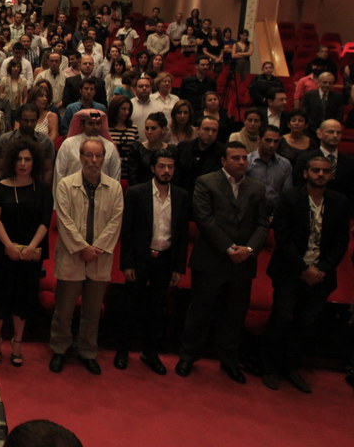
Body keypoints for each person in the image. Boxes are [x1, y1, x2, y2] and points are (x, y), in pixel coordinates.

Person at [176, 142, 269, 384]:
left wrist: (248, 249)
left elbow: (262, 224)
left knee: (234, 315)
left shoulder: (257, 188)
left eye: (243, 158)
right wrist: (229, 248)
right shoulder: (206, 182)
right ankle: (188, 356)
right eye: (236, 158)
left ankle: (229, 361)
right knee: (200, 311)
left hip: (243, 262)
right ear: (223, 161)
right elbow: (205, 220)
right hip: (212, 259)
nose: (241, 162)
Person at [261, 156, 352, 393]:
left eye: (325, 171)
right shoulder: (290, 197)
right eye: (315, 170)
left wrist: (320, 269)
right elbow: (283, 237)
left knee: (305, 323)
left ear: (331, 175)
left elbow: (341, 242)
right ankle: (270, 367)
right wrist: (303, 270)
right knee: (281, 318)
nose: (320, 175)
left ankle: (291, 367)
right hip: (290, 271)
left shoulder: (340, 202)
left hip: (321, 276)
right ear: (305, 173)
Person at [49, 137, 123, 375]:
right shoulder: (65, 185)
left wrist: (96, 248)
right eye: (88, 155)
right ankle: (60, 349)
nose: (93, 160)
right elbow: (64, 220)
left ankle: (87, 351)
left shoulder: (115, 187)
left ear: (103, 158)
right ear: (80, 158)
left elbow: (115, 222)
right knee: (64, 309)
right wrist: (82, 248)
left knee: (92, 311)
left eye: (98, 156)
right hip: (73, 256)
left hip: (99, 258)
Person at [114, 152, 190, 375]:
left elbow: (183, 234)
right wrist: (127, 263)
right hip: (140, 259)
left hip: (165, 259)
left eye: (170, 167)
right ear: (153, 168)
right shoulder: (137, 193)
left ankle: (150, 353)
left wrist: (178, 267)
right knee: (130, 307)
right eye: (162, 166)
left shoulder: (182, 196)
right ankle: (122, 351)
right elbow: (126, 232)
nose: (166, 171)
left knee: (157, 310)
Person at [0, 138, 51, 367]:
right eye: (19, 159)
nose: (23, 164)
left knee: (23, 297)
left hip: (30, 252)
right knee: (0, 296)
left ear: (34, 162)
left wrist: (32, 246)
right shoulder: (1, 185)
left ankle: (17, 343)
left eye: (28, 159)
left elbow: (45, 221)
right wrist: (9, 246)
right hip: (2, 250)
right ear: (12, 162)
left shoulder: (42, 188)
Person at [54, 109, 121, 192]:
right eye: (91, 123)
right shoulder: (68, 144)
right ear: (82, 124)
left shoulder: (110, 147)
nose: (95, 127)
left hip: (102, 197)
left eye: (98, 123)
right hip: (72, 196)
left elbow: (115, 177)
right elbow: (59, 174)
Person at [246, 125, 293, 214]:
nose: (272, 145)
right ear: (259, 139)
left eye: (276, 142)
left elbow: (287, 192)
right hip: (251, 211)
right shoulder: (247, 161)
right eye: (268, 140)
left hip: (276, 211)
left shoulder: (285, 164)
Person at [175, 115, 224, 194]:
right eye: (206, 129)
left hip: (209, 197)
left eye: (214, 130)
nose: (210, 134)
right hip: (183, 195)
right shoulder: (183, 147)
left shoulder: (222, 152)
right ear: (197, 130)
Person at [126, 112, 176, 186]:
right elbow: (132, 177)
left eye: (153, 128)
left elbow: (175, 177)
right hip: (140, 191)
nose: (149, 132)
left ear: (163, 129)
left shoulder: (172, 150)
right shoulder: (136, 149)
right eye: (147, 128)